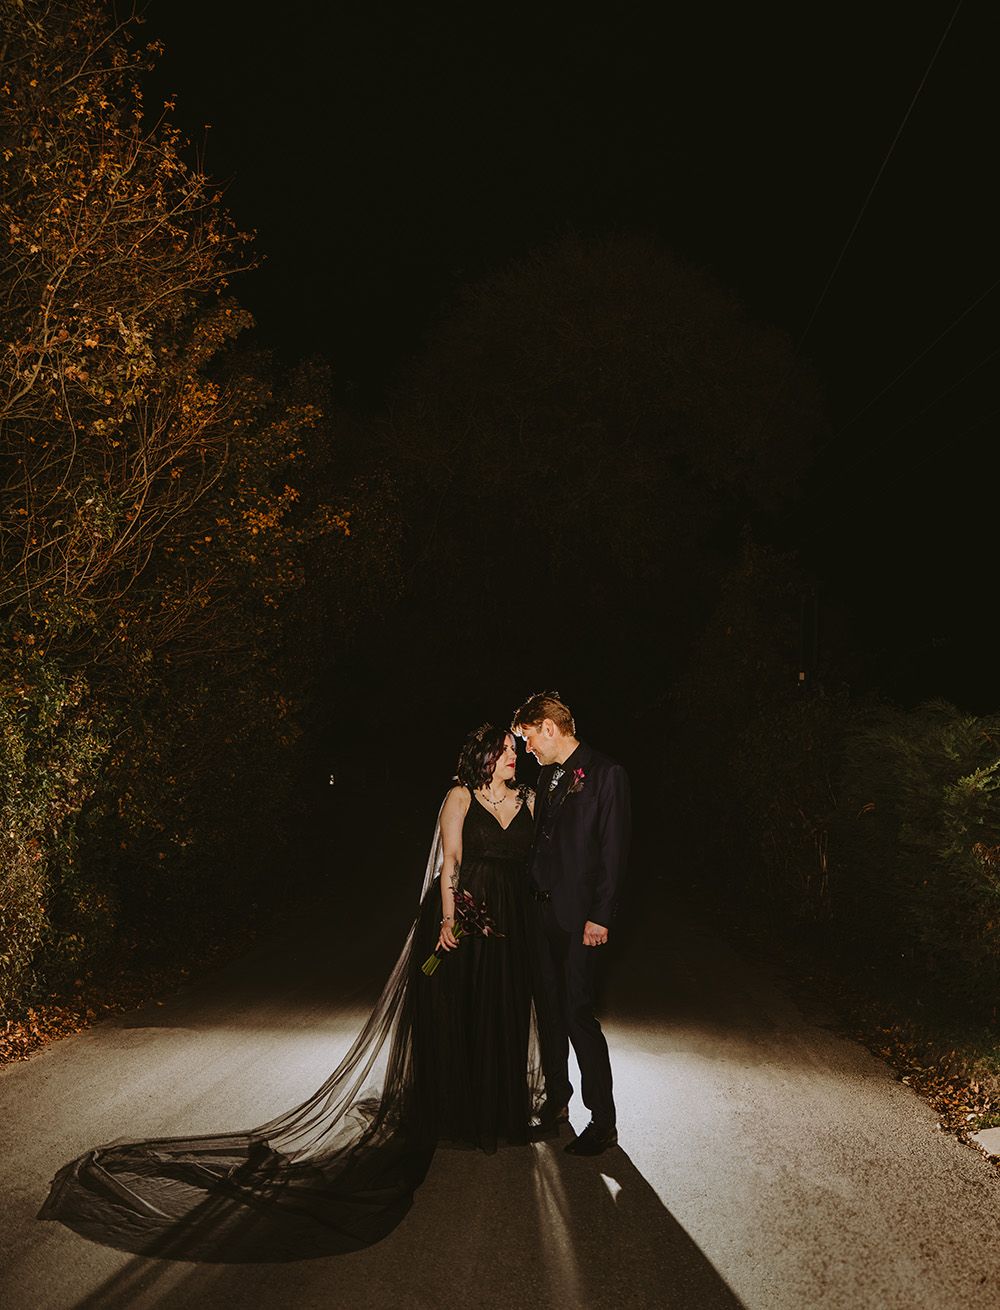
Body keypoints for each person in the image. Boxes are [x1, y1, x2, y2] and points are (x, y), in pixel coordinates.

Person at [38, 724, 543, 1261]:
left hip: (511, 924)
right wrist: (447, 919)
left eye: (515, 750)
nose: (513, 757)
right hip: (459, 922)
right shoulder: (460, 796)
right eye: (504, 750)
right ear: (482, 756)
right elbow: (452, 862)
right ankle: (455, 1111)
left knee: (502, 1009)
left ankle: (498, 1109)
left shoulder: (531, 799)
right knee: (452, 1012)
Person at [513, 692, 631, 1157]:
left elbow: (613, 852)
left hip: (581, 920)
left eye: (527, 739)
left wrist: (601, 915)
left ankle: (602, 1122)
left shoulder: (607, 774)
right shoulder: (546, 776)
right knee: (550, 1014)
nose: (527, 750)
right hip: (540, 916)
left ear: (548, 727)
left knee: (579, 1016)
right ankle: (556, 1103)